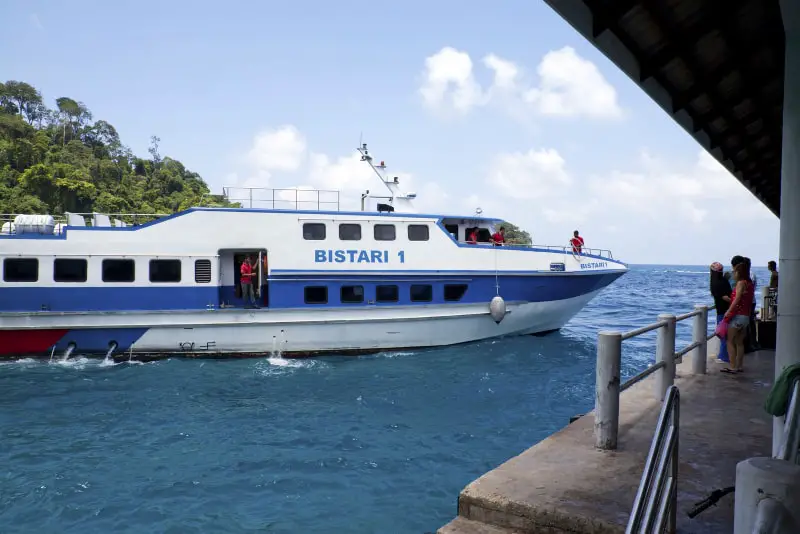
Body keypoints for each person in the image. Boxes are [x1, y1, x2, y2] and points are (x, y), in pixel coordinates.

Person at [722, 256, 754, 374]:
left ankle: (732, 366)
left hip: (737, 316)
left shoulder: (740, 283)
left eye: (735, 271)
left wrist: (729, 310)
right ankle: (739, 365)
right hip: (746, 316)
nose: (733, 273)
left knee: (729, 341)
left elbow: (738, 298)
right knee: (740, 342)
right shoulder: (749, 283)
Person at [709, 262, 732, 363]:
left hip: (722, 311)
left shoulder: (715, 283)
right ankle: (723, 355)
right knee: (725, 334)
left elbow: (725, 297)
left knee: (722, 334)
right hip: (727, 310)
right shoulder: (724, 281)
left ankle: (724, 357)